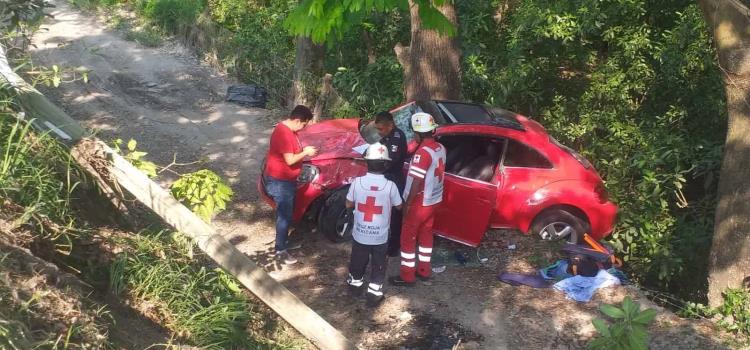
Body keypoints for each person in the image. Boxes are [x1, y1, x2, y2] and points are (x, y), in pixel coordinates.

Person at [390, 112, 446, 286]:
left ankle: (407, 276)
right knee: (426, 235)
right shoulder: (440, 148)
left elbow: (416, 182)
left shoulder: (422, 154)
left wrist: (407, 205)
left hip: (419, 203)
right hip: (434, 200)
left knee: (407, 238)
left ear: (418, 133)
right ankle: (424, 270)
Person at [345, 142, 403, 307]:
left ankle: (355, 287)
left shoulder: (357, 182)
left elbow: (349, 204)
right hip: (380, 237)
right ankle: (374, 295)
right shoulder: (390, 186)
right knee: (379, 264)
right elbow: (399, 206)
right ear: (386, 164)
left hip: (360, 235)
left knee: (357, 261)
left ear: (367, 163)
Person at [263, 105, 317, 265]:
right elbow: (290, 160)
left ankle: (284, 242)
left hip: (284, 180)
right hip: (281, 182)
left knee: (287, 213)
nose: (303, 128)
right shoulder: (285, 134)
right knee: (284, 216)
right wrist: (306, 152)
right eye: (304, 124)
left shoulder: (285, 129)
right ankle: (280, 250)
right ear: (297, 120)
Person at [372, 111, 408, 257]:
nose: (379, 132)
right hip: (385, 178)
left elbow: (390, 161)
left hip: (394, 179)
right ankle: (381, 239)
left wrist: (372, 164)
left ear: (390, 125)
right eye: (377, 129)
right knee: (382, 211)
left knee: (395, 214)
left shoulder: (397, 138)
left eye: (381, 129)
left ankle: (393, 247)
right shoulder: (386, 136)